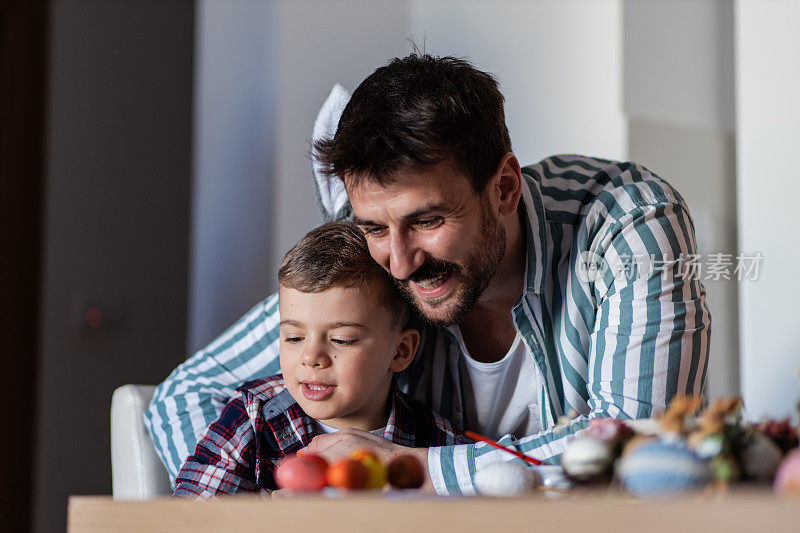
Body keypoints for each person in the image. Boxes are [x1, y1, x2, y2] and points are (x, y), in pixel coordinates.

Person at [146, 53, 711, 496]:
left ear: (505, 188)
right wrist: (279, 494)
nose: (398, 260)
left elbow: (639, 448)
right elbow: (184, 395)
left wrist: (410, 468)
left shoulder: (629, 224)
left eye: (428, 219)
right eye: (374, 227)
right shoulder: (375, 260)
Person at [173, 222, 466, 498]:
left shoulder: (438, 444)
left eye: (342, 340)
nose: (312, 358)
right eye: (294, 338)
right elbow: (190, 514)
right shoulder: (253, 415)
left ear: (400, 351)